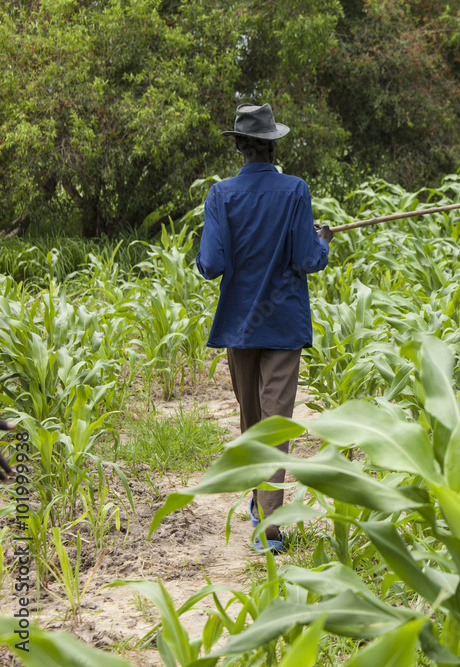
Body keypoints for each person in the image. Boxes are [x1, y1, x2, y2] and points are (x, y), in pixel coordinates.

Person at [196, 103, 334, 552]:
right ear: (273, 145)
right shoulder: (295, 191)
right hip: (282, 322)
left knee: (253, 418)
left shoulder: (220, 196)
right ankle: (267, 516)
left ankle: (267, 518)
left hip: (240, 326)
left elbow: (211, 265)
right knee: (274, 421)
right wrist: (322, 241)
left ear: (239, 147)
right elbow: (306, 260)